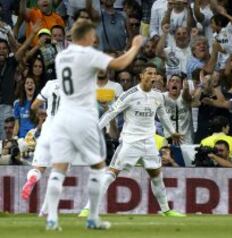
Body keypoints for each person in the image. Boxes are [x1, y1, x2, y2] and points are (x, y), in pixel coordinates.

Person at [44, 19, 144, 231]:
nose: (95, 39)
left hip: (62, 117)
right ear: (86, 37)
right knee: (99, 167)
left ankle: (52, 218)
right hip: (83, 117)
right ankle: (93, 218)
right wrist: (135, 46)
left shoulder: (61, 56)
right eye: (92, 36)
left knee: (59, 167)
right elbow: (119, 64)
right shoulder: (88, 54)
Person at [78, 63, 185, 218]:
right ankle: (88, 208)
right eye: (148, 73)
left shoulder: (158, 96)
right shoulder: (130, 94)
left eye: (154, 73)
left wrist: (172, 132)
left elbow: (162, 115)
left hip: (149, 142)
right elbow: (111, 113)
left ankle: (166, 210)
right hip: (130, 141)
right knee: (111, 174)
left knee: (156, 176)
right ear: (141, 76)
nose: (152, 76)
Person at [20, 79, 60, 218]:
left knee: (38, 168)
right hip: (63, 133)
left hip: (47, 129)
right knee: (58, 173)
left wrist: (43, 112)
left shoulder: (50, 84)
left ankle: (32, 179)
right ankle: (45, 210)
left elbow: (34, 106)